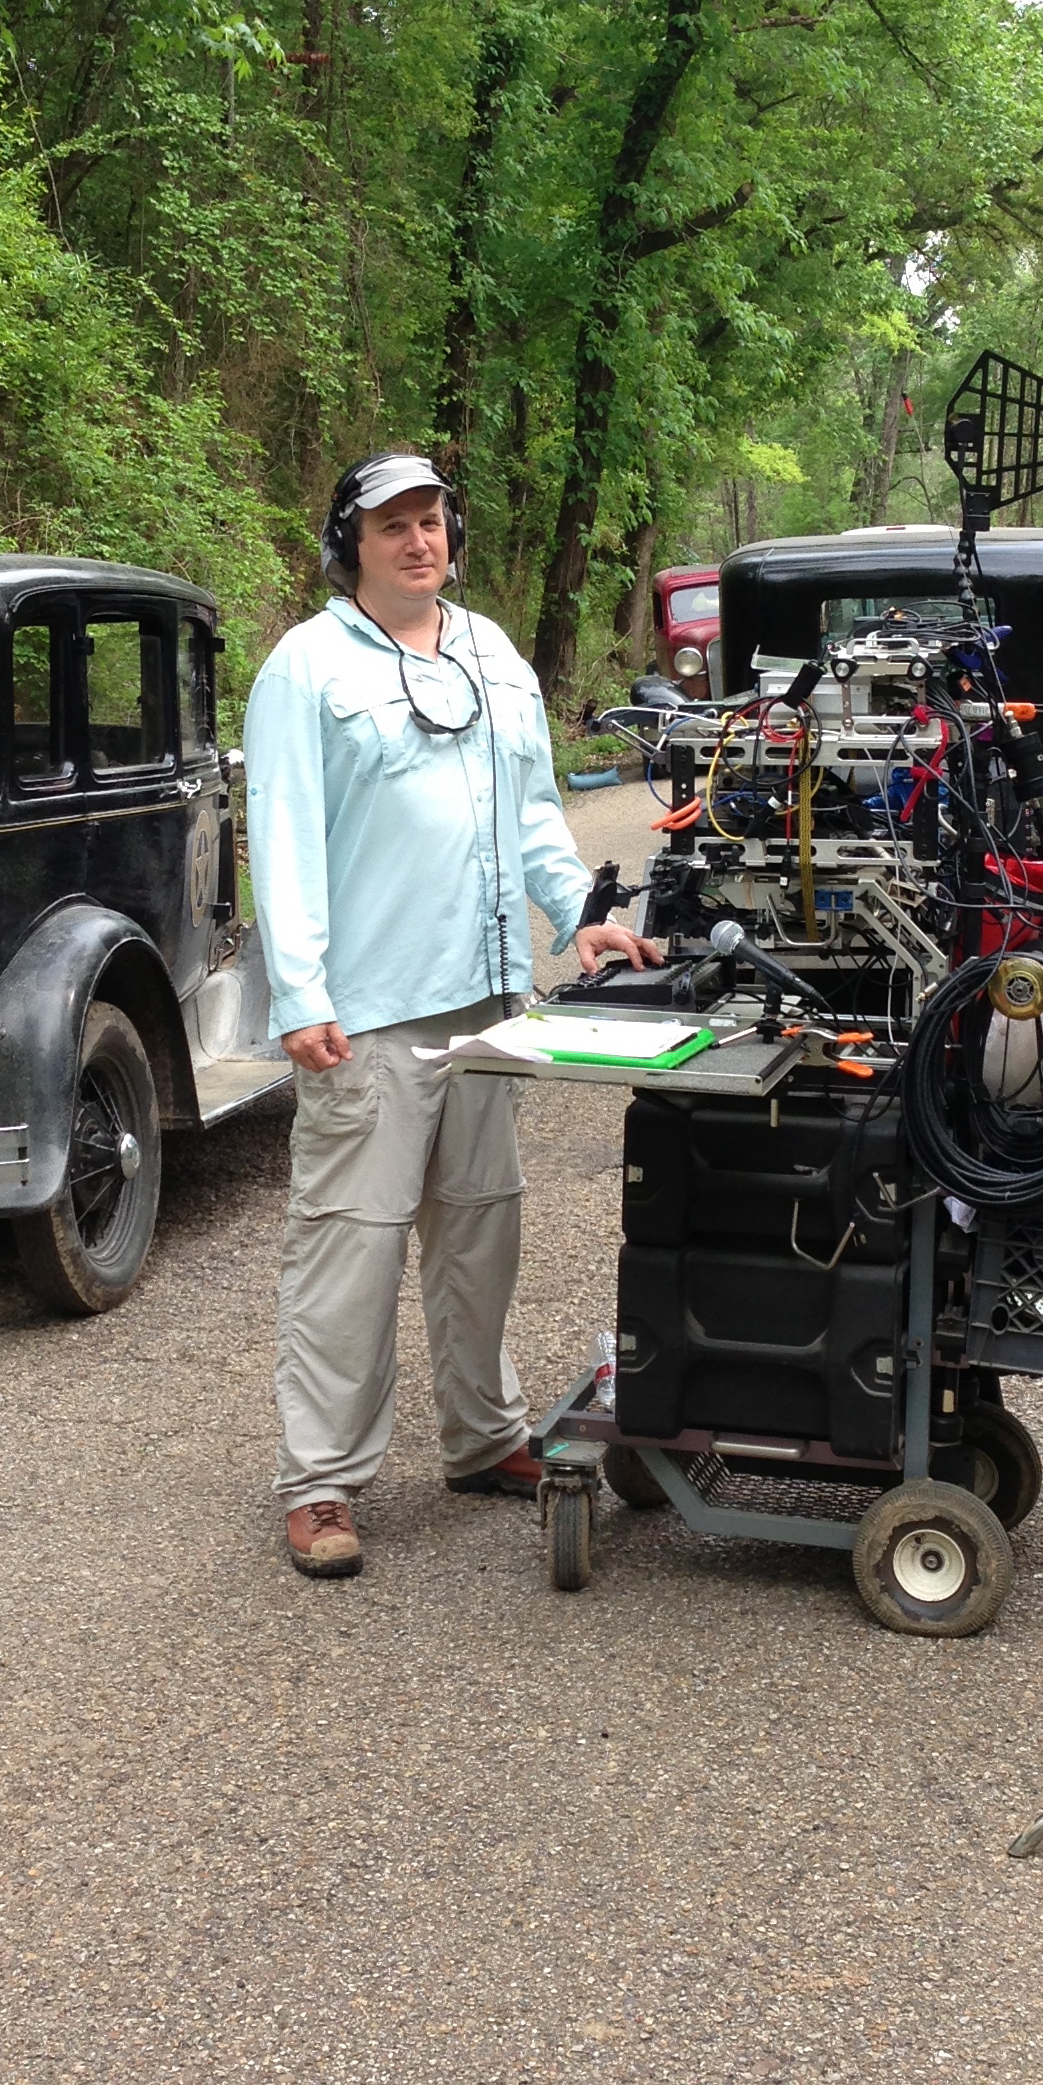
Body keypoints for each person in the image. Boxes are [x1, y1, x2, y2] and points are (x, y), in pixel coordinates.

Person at [243, 453, 658, 1577]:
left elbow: (532, 815)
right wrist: (301, 996)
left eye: (431, 522)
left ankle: (483, 1437)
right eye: (393, 527)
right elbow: (282, 839)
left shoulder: (491, 654)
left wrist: (581, 910)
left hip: (484, 1006)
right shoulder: (307, 667)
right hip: (366, 1016)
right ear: (351, 541)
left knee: (482, 1231)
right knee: (350, 1249)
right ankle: (320, 1482)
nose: (418, 542)